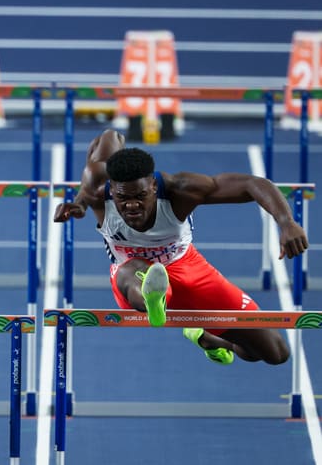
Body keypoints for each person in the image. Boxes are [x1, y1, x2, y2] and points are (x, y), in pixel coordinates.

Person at [53, 129, 305, 366]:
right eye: (122, 198)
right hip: (129, 270)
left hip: (187, 266)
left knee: (274, 353)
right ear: (110, 189)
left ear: (153, 185)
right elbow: (108, 136)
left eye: (140, 196)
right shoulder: (97, 187)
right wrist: (81, 204)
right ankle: (154, 301)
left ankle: (205, 337)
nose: (131, 205)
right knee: (138, 271)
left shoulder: (181, 190)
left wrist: (286, 222)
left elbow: (253, 183)